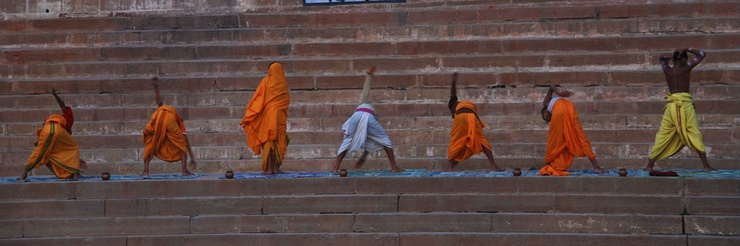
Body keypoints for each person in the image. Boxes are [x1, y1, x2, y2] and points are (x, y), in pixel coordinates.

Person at [645, 47, 715, 171]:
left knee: (663, 134)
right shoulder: (686, 68)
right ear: (683, 59)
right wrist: (688, 48)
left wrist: (670, 57)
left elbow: (661, 58)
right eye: (685, 58)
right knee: (693, 132)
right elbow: (702, 54)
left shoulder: (667, 70)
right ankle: (706, 165)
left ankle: (649, 165)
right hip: (683, 106)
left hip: (671, 107)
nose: (687, 60)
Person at [331, 66, 404, 173]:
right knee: (386, 141)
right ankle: (394, 167)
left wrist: (363, 158)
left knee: (347, 142)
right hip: (367, 116)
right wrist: (369, 76)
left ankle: (335, 168)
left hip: (354, 117)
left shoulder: (360, 111)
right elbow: (366, 92)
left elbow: (368, 142)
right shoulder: (367, 108)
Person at [539, 85, 605, 176]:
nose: (548, 120)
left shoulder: (546, 103)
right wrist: (559, 93)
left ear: (545, 112)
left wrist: (558, 92)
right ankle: (596, 167)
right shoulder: (554, 104)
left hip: (562, 111)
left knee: (554, 141)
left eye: (546, 118)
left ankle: (548, 164)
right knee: (580, 137)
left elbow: (551, 86)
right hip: (571, 109)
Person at [241, 62, 291, 174]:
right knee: (280, 141)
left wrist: (253, 112)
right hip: (280, 117)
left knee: (268, 140)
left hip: (269, 116)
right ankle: (276, 168)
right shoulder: (284, 83)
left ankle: (269, 169)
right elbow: (286, 100)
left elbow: (258, 98)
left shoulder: (266, 82)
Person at [446, 72, 503, 172]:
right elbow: (453, 94)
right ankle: (493, 166)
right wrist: (454, 80)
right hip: (472, 116)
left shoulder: (453, 105)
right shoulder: (463, 105)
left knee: (455, 141)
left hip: (460, 117)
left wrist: (453, 82)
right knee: (482, 140)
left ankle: (450, 168)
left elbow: (453, 93)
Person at [142, 77, 197, 176]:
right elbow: (185, 140)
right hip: (169, 120)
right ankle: (184, 171)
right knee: (182, 145)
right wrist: (192, 157)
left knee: (151, 142)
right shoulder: (178, 121)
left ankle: (146, 171)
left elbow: (159, 101)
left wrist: (156, 87)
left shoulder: (163, 109)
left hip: (157, 118)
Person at [20, 114, 86, 181]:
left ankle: (24, 174)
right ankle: (75, 174)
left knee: (41, 153)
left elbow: (63, 152)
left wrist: (77, 160)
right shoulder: (67, 120)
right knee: (73, 146)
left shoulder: (58, 127)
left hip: (47, 131)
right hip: (54, 129)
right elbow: (63, 106)